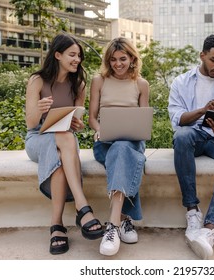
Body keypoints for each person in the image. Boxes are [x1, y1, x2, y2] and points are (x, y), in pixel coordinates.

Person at [25, 33, 104, 255]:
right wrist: (39, 109)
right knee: (64, 139)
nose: (77, 59)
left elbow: (75, 122)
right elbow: (31, 124)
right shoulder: (37, 80)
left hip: (65, 140)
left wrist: (77, 124)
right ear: (57, 55)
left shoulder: (78, 84)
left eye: (79, 55)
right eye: (72, 54)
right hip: (38, 138)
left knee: (64, 147)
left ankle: (57, 225)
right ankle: (82, 207)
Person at [168, 34, 214, 259]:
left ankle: (210, 229)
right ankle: (192, 211)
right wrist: (203, 110)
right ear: (202, 55)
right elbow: (177, 119)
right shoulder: (181, 81)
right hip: (194, 134)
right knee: (181, 137)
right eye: (213, 60)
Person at [89, 37, 150, 256]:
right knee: (121, 152)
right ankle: (124, 221)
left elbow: (144, 121)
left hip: (132, 143)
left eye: (123, 59)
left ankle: (112, 226)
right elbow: (92, 118)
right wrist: (98, 129)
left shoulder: (141, 85)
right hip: (104, 142)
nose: (118, 64)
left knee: (124, 148)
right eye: (113, 59)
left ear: (132, 59)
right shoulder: (99, 81)